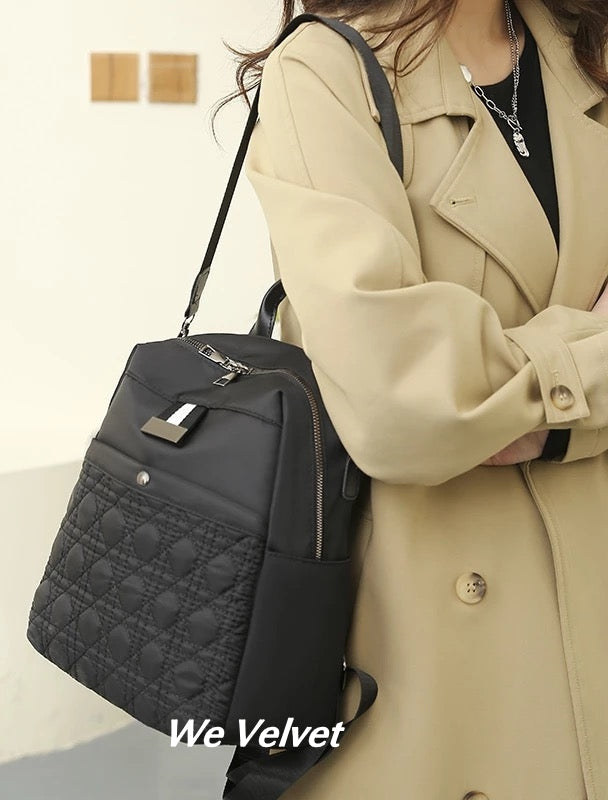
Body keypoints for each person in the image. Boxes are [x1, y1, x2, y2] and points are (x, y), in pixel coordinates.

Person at [212, 0, 608, 797]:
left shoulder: (587, 48)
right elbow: (404, 407)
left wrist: (521, 408)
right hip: (423, 658)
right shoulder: (325, 71)